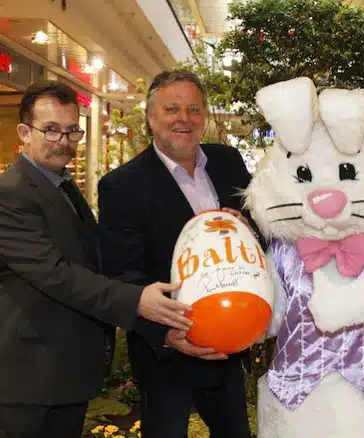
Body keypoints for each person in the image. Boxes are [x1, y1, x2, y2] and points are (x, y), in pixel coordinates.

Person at [0, 81, 193, 438]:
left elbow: (93, 257)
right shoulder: (7, 196)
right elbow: (56, 274)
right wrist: (137, 301)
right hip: (24, 382)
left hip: (63, 375)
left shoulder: (62, 185)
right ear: (24, 132)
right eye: (50, 130)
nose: (63, 141)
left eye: (72, 131)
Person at [98, 69, 254, 438]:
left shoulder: (227, 162)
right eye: (171, 109)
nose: (184, 119)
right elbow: (123, 273)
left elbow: (260, 225)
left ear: (205, 117)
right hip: (167, 351)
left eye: (193, 109)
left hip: (225, 342)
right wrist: (166, 335)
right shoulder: (122, 186)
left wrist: (247, 225)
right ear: (151, 118)